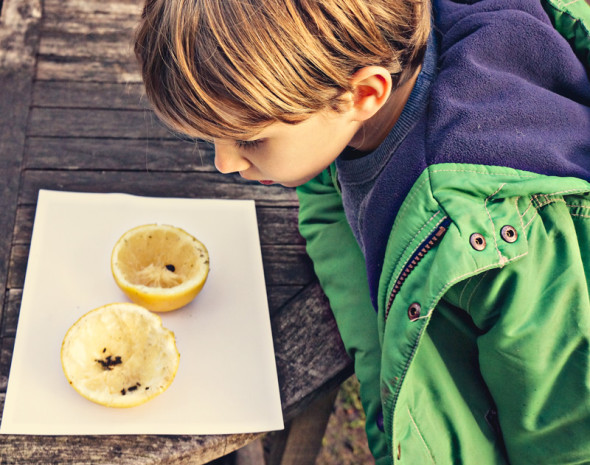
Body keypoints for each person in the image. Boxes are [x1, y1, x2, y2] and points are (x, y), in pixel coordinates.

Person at [134, 0, 590, 463]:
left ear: (364, 94)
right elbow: (328, 195)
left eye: (250, 139)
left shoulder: (505, 238)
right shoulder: (351, 90)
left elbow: (564, 433)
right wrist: (380, 375)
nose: (224, 163)